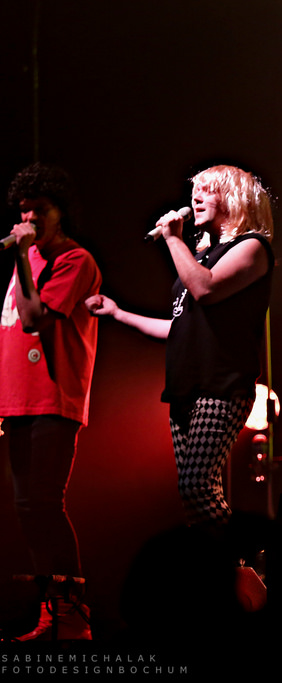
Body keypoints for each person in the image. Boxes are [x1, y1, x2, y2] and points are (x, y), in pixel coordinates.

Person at [87, 165, 274, 527]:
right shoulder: (200, 257)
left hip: (221, 386)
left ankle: (240, 558)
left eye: (208, 190)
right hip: (186, 386)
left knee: (196, 487)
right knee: (194, 496)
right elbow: (179, 327)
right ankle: (218, 562)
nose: (196, 197)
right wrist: (118, 313)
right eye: (194, 191)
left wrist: (173, 239)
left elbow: (205, 289)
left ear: (234, 198)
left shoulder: (252, 246)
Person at [0, 163, 101, 640]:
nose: (30, 219)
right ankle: (51, 613)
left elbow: (33, 319)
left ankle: (73, 615)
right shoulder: (29, 260)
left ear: (61, 212)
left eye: (40, 210)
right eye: (24, 211)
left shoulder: (75, 260)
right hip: (17, 401)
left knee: (45, 503)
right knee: (27, 509)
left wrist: (22, 255)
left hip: (53, 399)